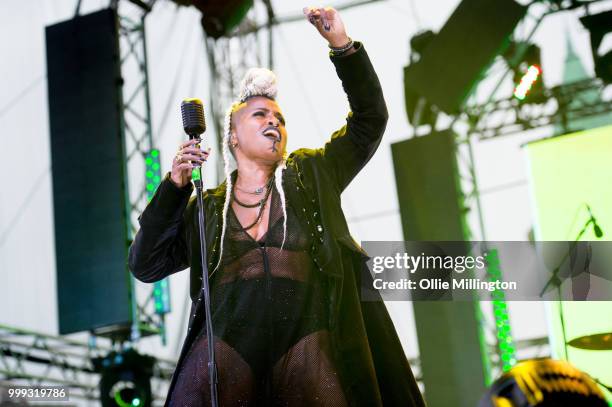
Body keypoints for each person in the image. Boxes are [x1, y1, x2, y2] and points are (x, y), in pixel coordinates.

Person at [129, 6, 425, 407]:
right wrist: (174, 187)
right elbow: (145, 265)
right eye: (260, 115)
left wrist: (342, 47)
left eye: (280, 118)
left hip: (308, 346)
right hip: (228, 354)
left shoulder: (311, 176)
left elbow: (370, 120)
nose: (274, 122)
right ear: (233, 136)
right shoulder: (207, 210)